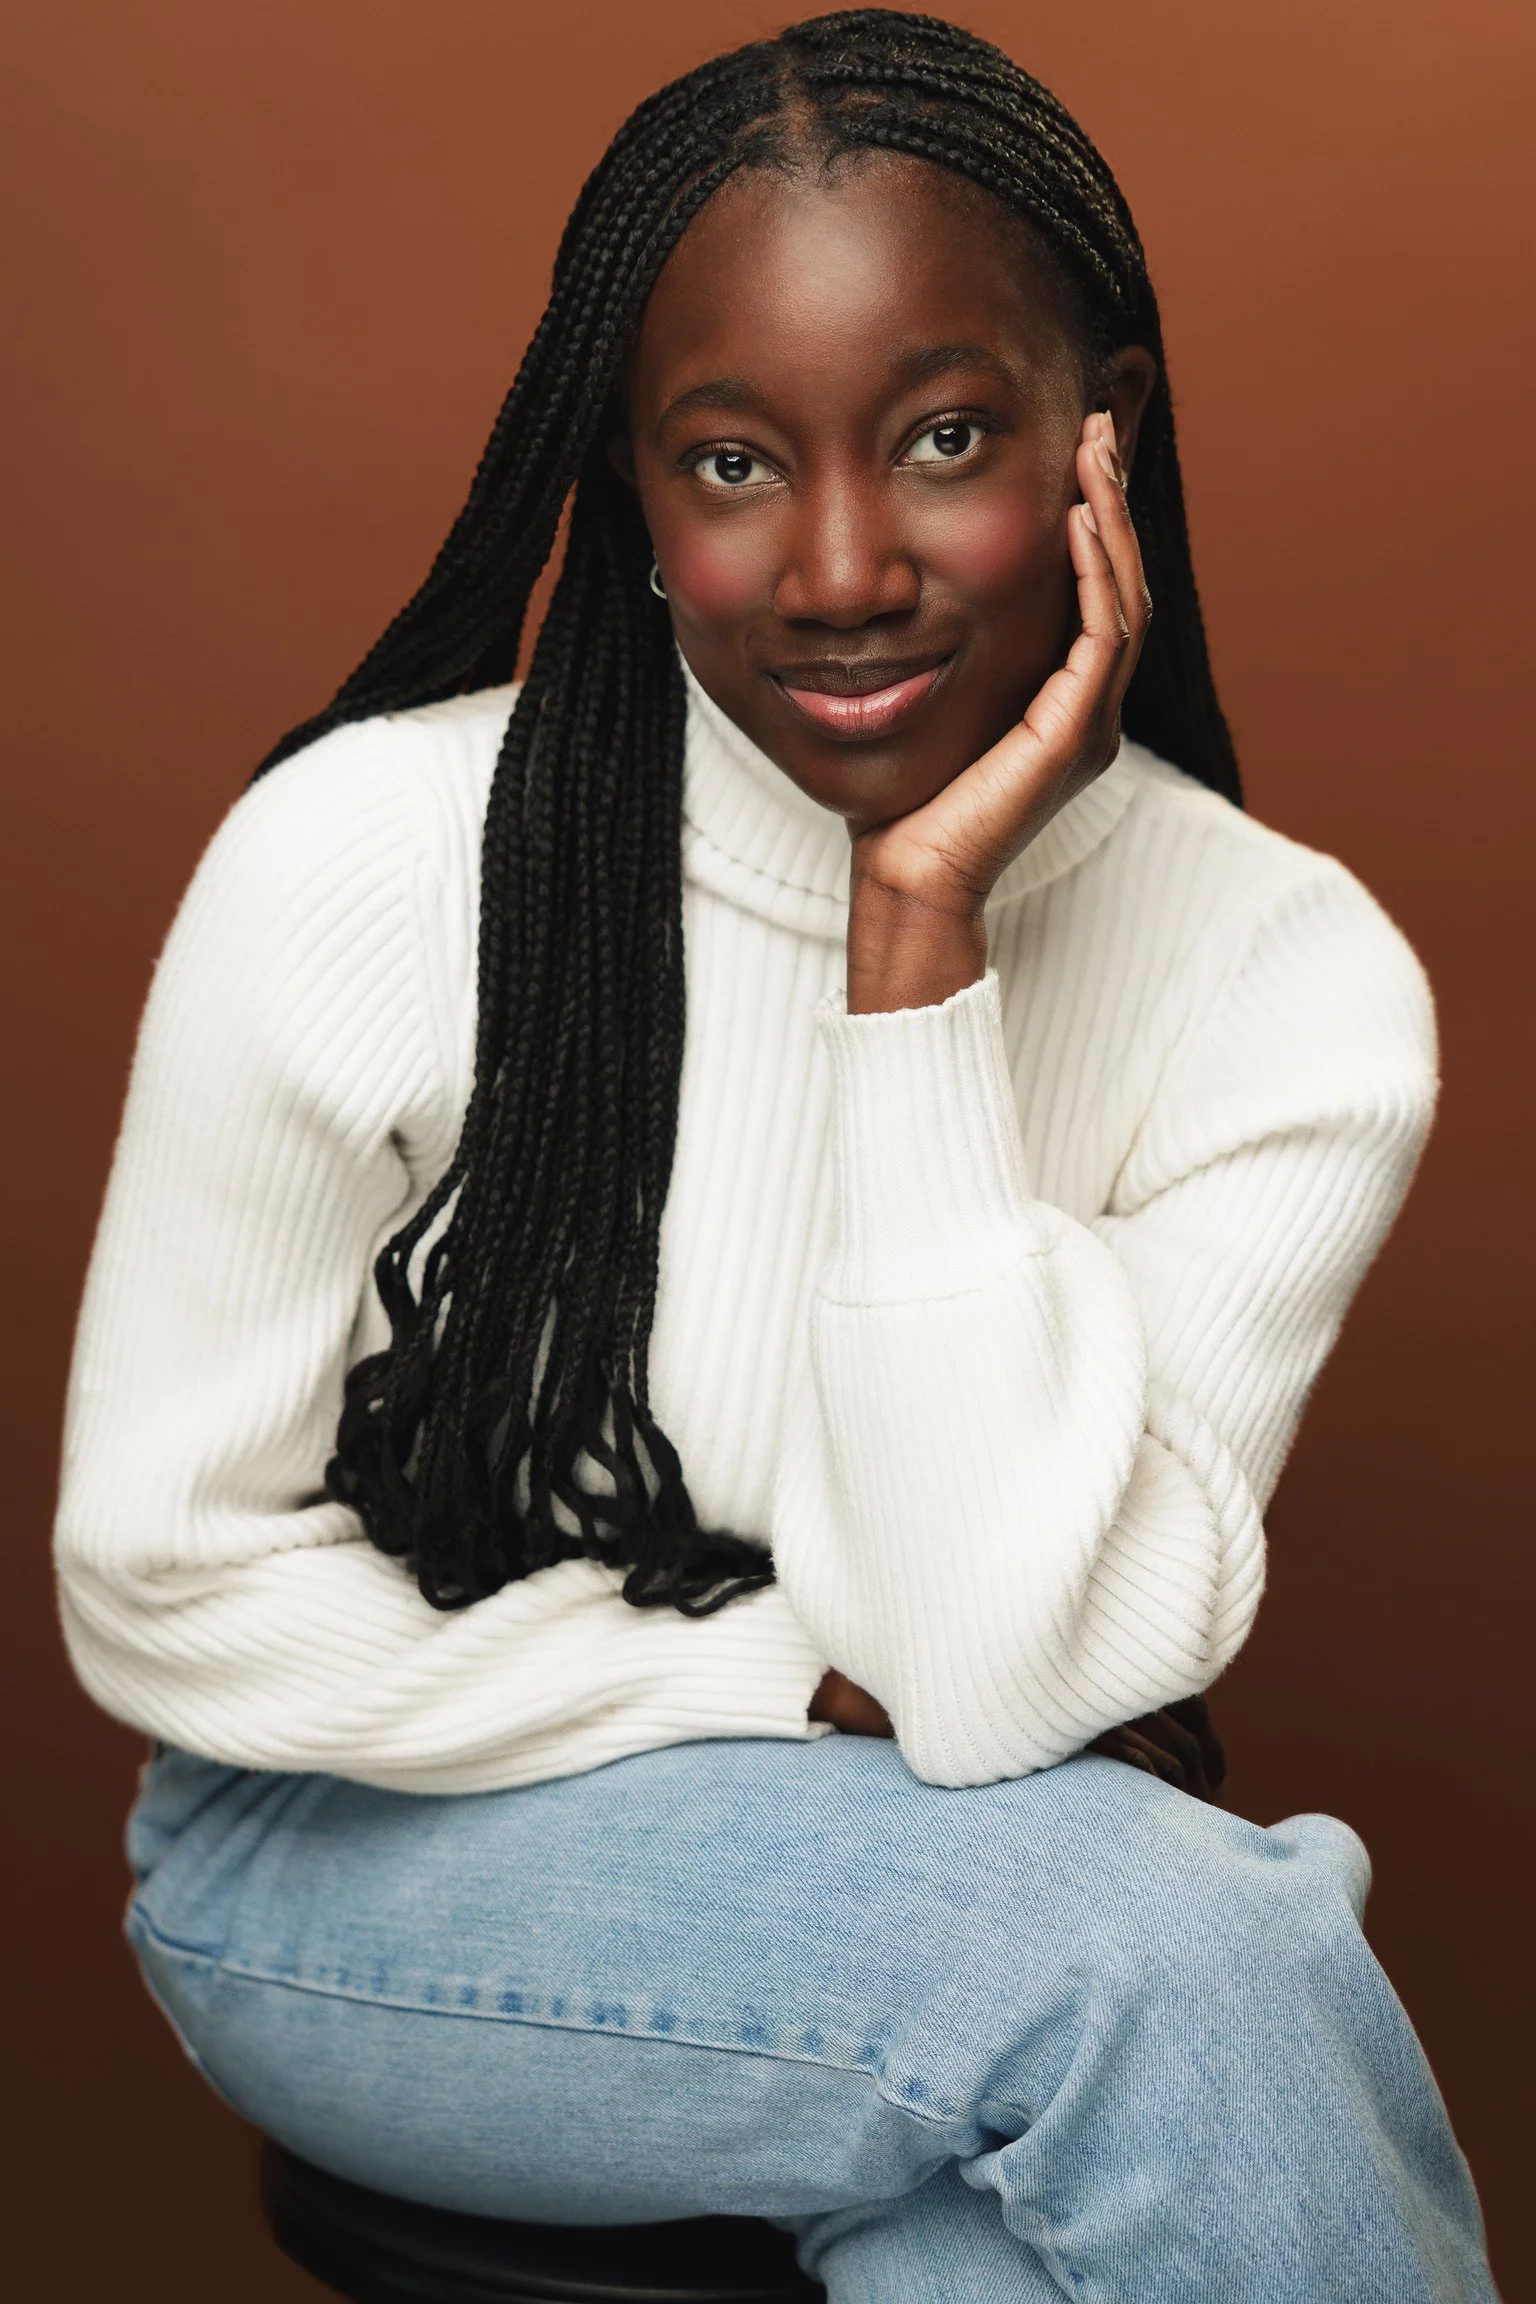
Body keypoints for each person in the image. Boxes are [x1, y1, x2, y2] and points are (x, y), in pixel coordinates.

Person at [55, 10, 1497, 2298]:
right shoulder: (368, 858)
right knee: (1173, 1952)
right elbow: (166, 1583)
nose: (838, 569)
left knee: (1007, 2227)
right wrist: (756, 1688)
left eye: (943, 438)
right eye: (730, 463)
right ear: (636, 493)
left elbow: (981, 1679)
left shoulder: (1285, 986)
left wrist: (914, 953)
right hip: (340, 1854)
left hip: (957, 1898)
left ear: (1105, 436)